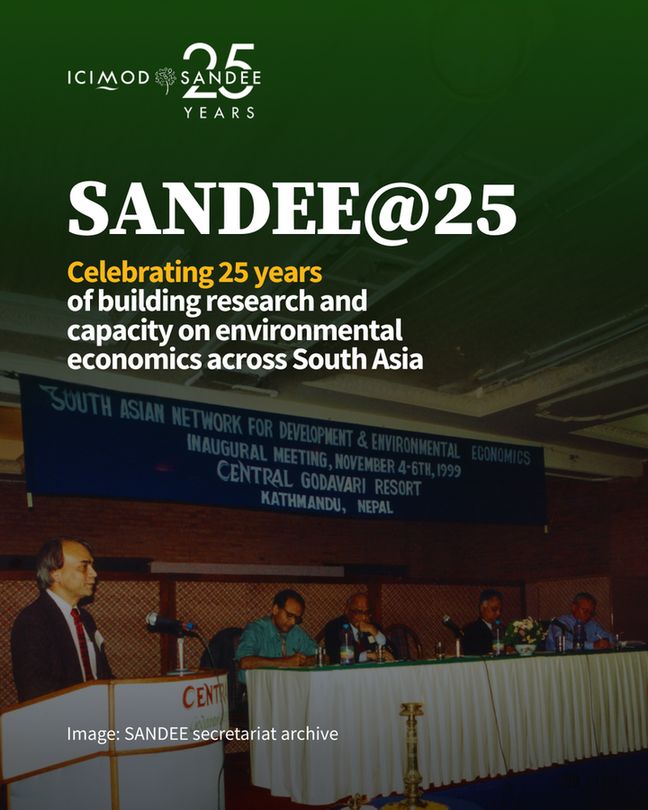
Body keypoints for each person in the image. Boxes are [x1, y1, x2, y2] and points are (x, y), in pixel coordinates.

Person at [11, 537, 113, 702]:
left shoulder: (86, 618)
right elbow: (34, 688)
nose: (94, 573)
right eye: (84, 567)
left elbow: (103, 676)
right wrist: (88, 703)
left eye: (92, 566)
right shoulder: (32, 621)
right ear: (55, 573)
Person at [235, 589, 317, 681]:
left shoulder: (295, 631)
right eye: (289, 615)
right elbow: (245, 662)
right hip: (257, 688)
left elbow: (323, 656)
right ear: (275, 609)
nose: (293, 622)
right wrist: (285, 663)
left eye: (297, 618)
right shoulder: (255, 630)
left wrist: (303, 661)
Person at [324, 592, 394, 664]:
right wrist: (368, 655)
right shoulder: (334, 626)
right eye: (358, 612)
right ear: (347, 611)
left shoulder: (373, 626)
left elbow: (392, 651)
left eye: (367, 612)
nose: (363, 617)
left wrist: (374, 632)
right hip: (345, 670)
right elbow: (335, 654)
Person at [545, 591, 615, 651]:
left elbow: (610, 637)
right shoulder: (560, 623)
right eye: (585, 611)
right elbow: (561, 643)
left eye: (591, 613)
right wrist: (592, 645)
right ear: (574, 607)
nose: (588, 615)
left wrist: (606, 642)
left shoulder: (592, 625)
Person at [462, 589, 503, 655]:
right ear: (482, 608)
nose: (498, 613)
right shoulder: (470, 630)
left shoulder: (502, 628)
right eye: (494, 609)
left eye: (500, 610)